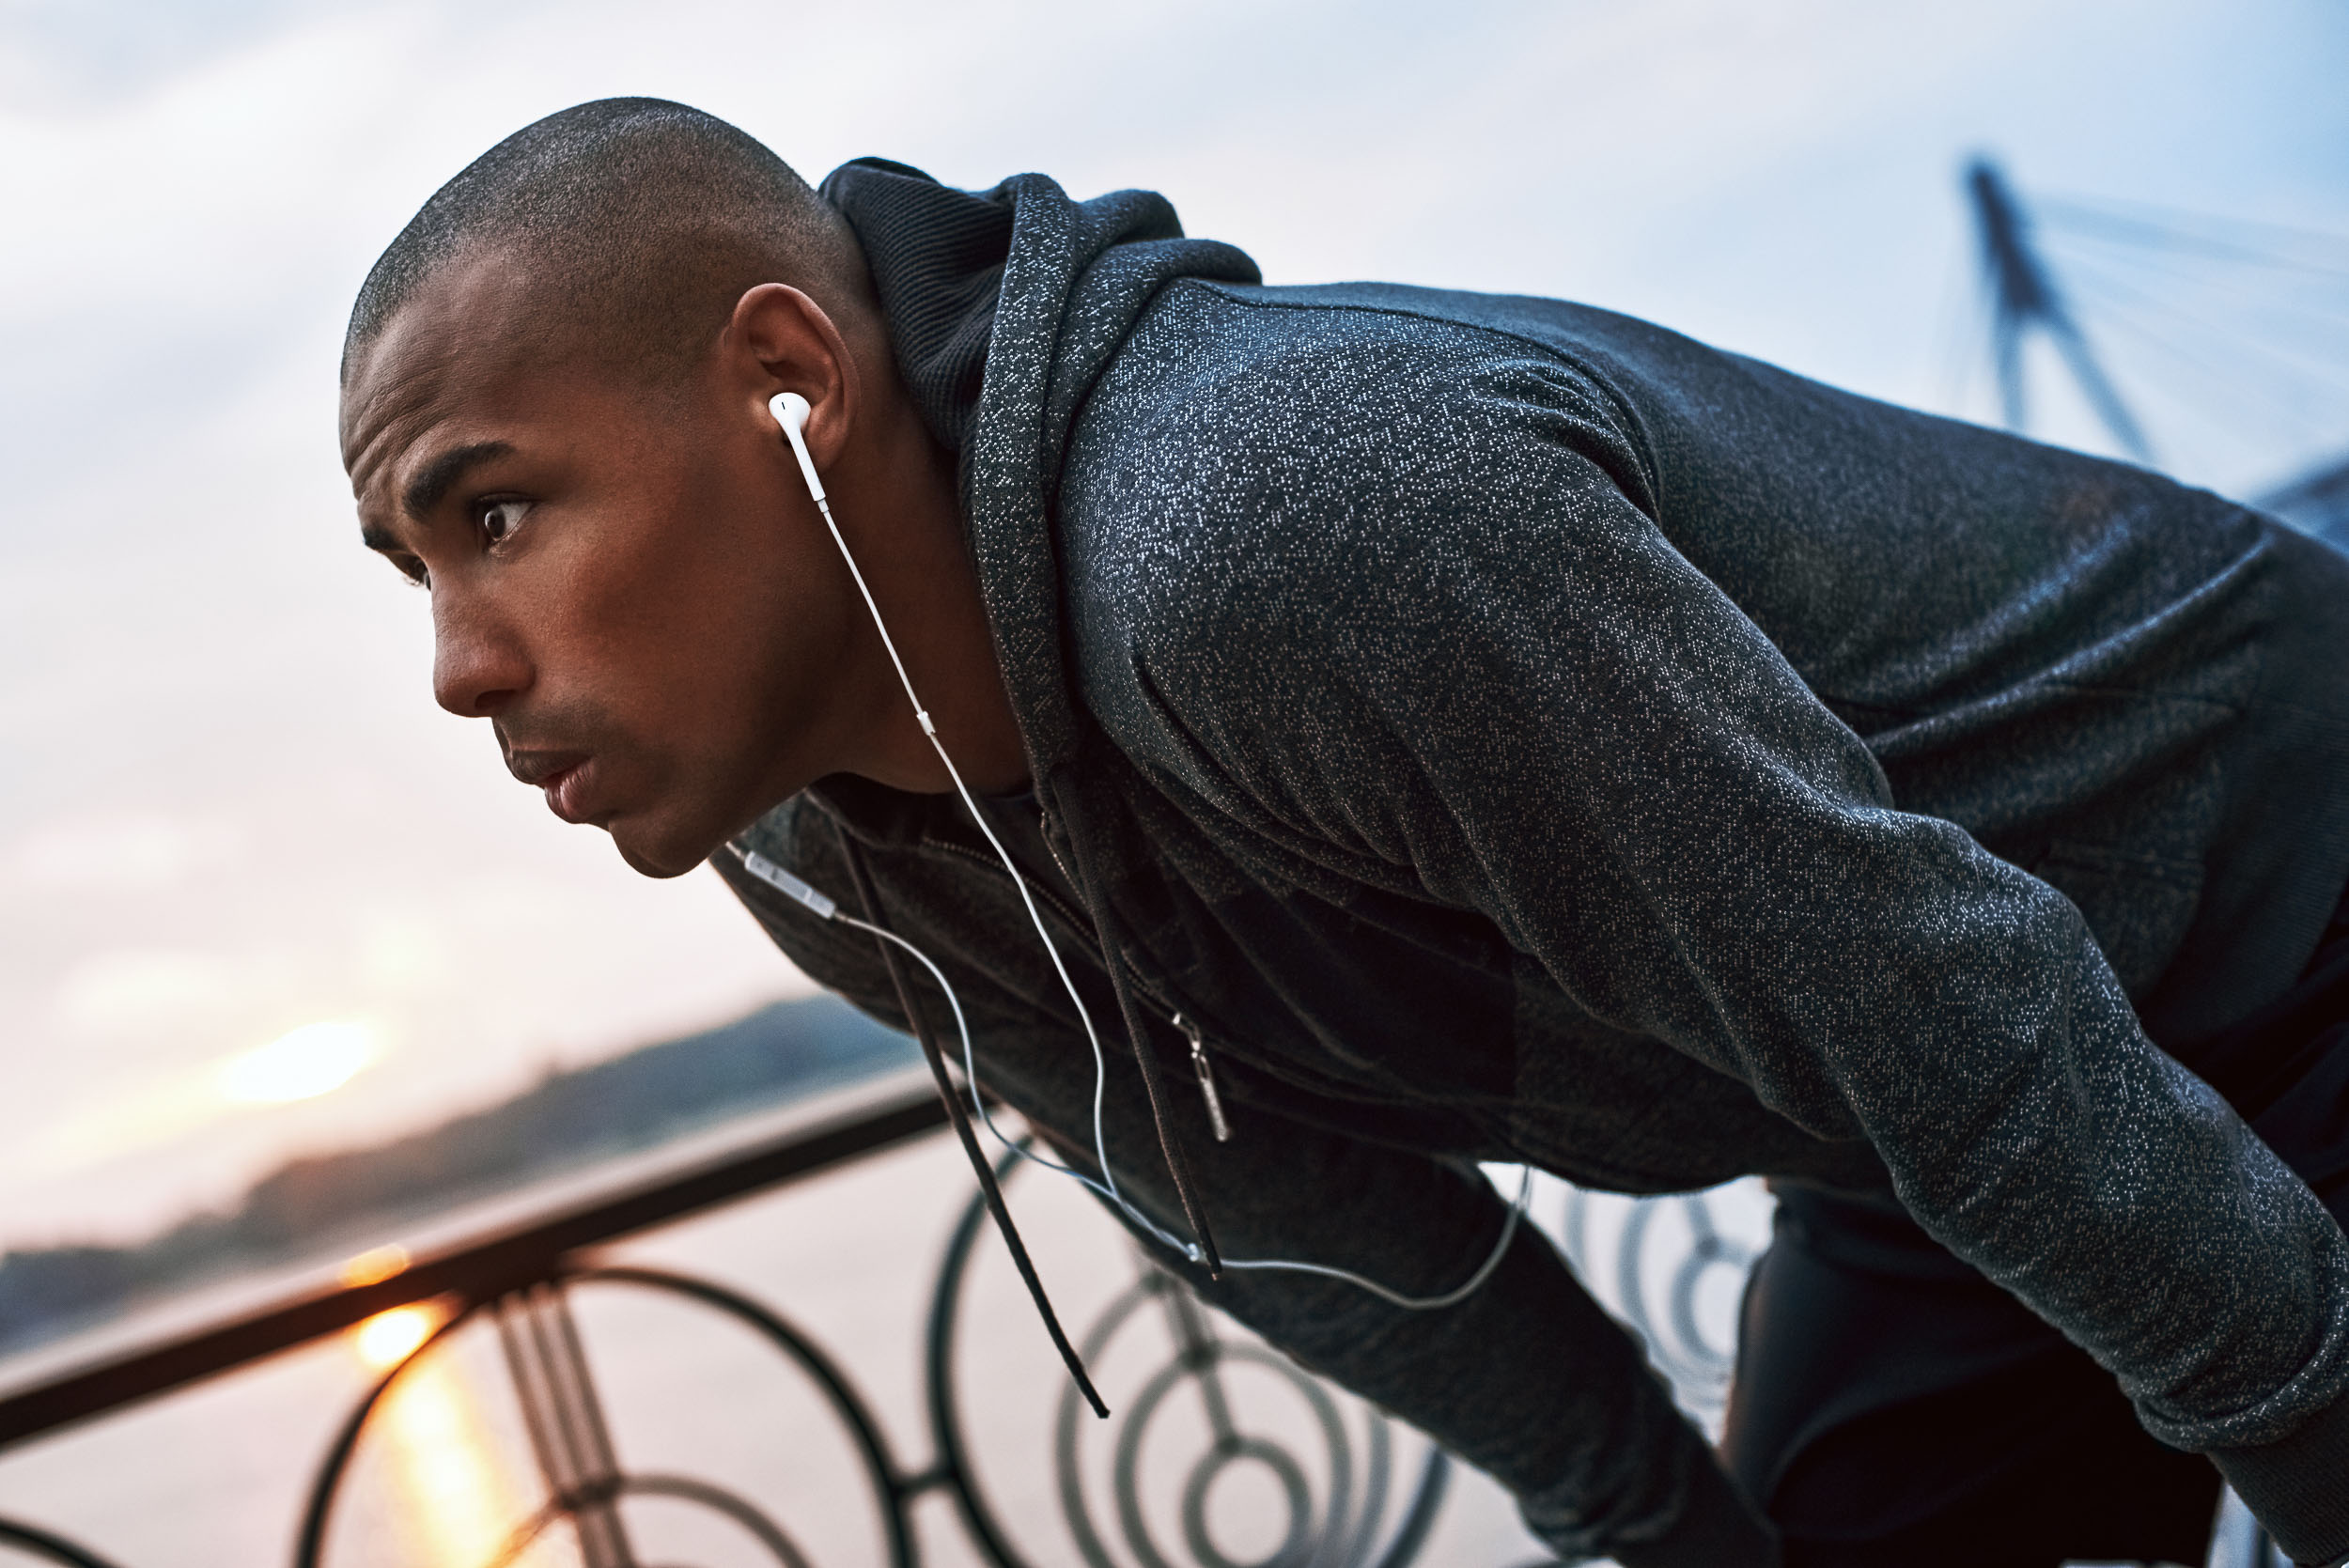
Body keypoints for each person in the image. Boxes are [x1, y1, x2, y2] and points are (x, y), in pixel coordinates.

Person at [336, 96, 2349, 1567]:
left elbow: (1947, 1019)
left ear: (785, 378)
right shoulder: (818, 847)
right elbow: (1306, 1217)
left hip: (2280, 911)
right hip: (1922, 1116)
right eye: (409, 567)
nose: (456, 666)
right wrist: (1651, 1532)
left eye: (490, 512)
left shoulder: (1274, 532)